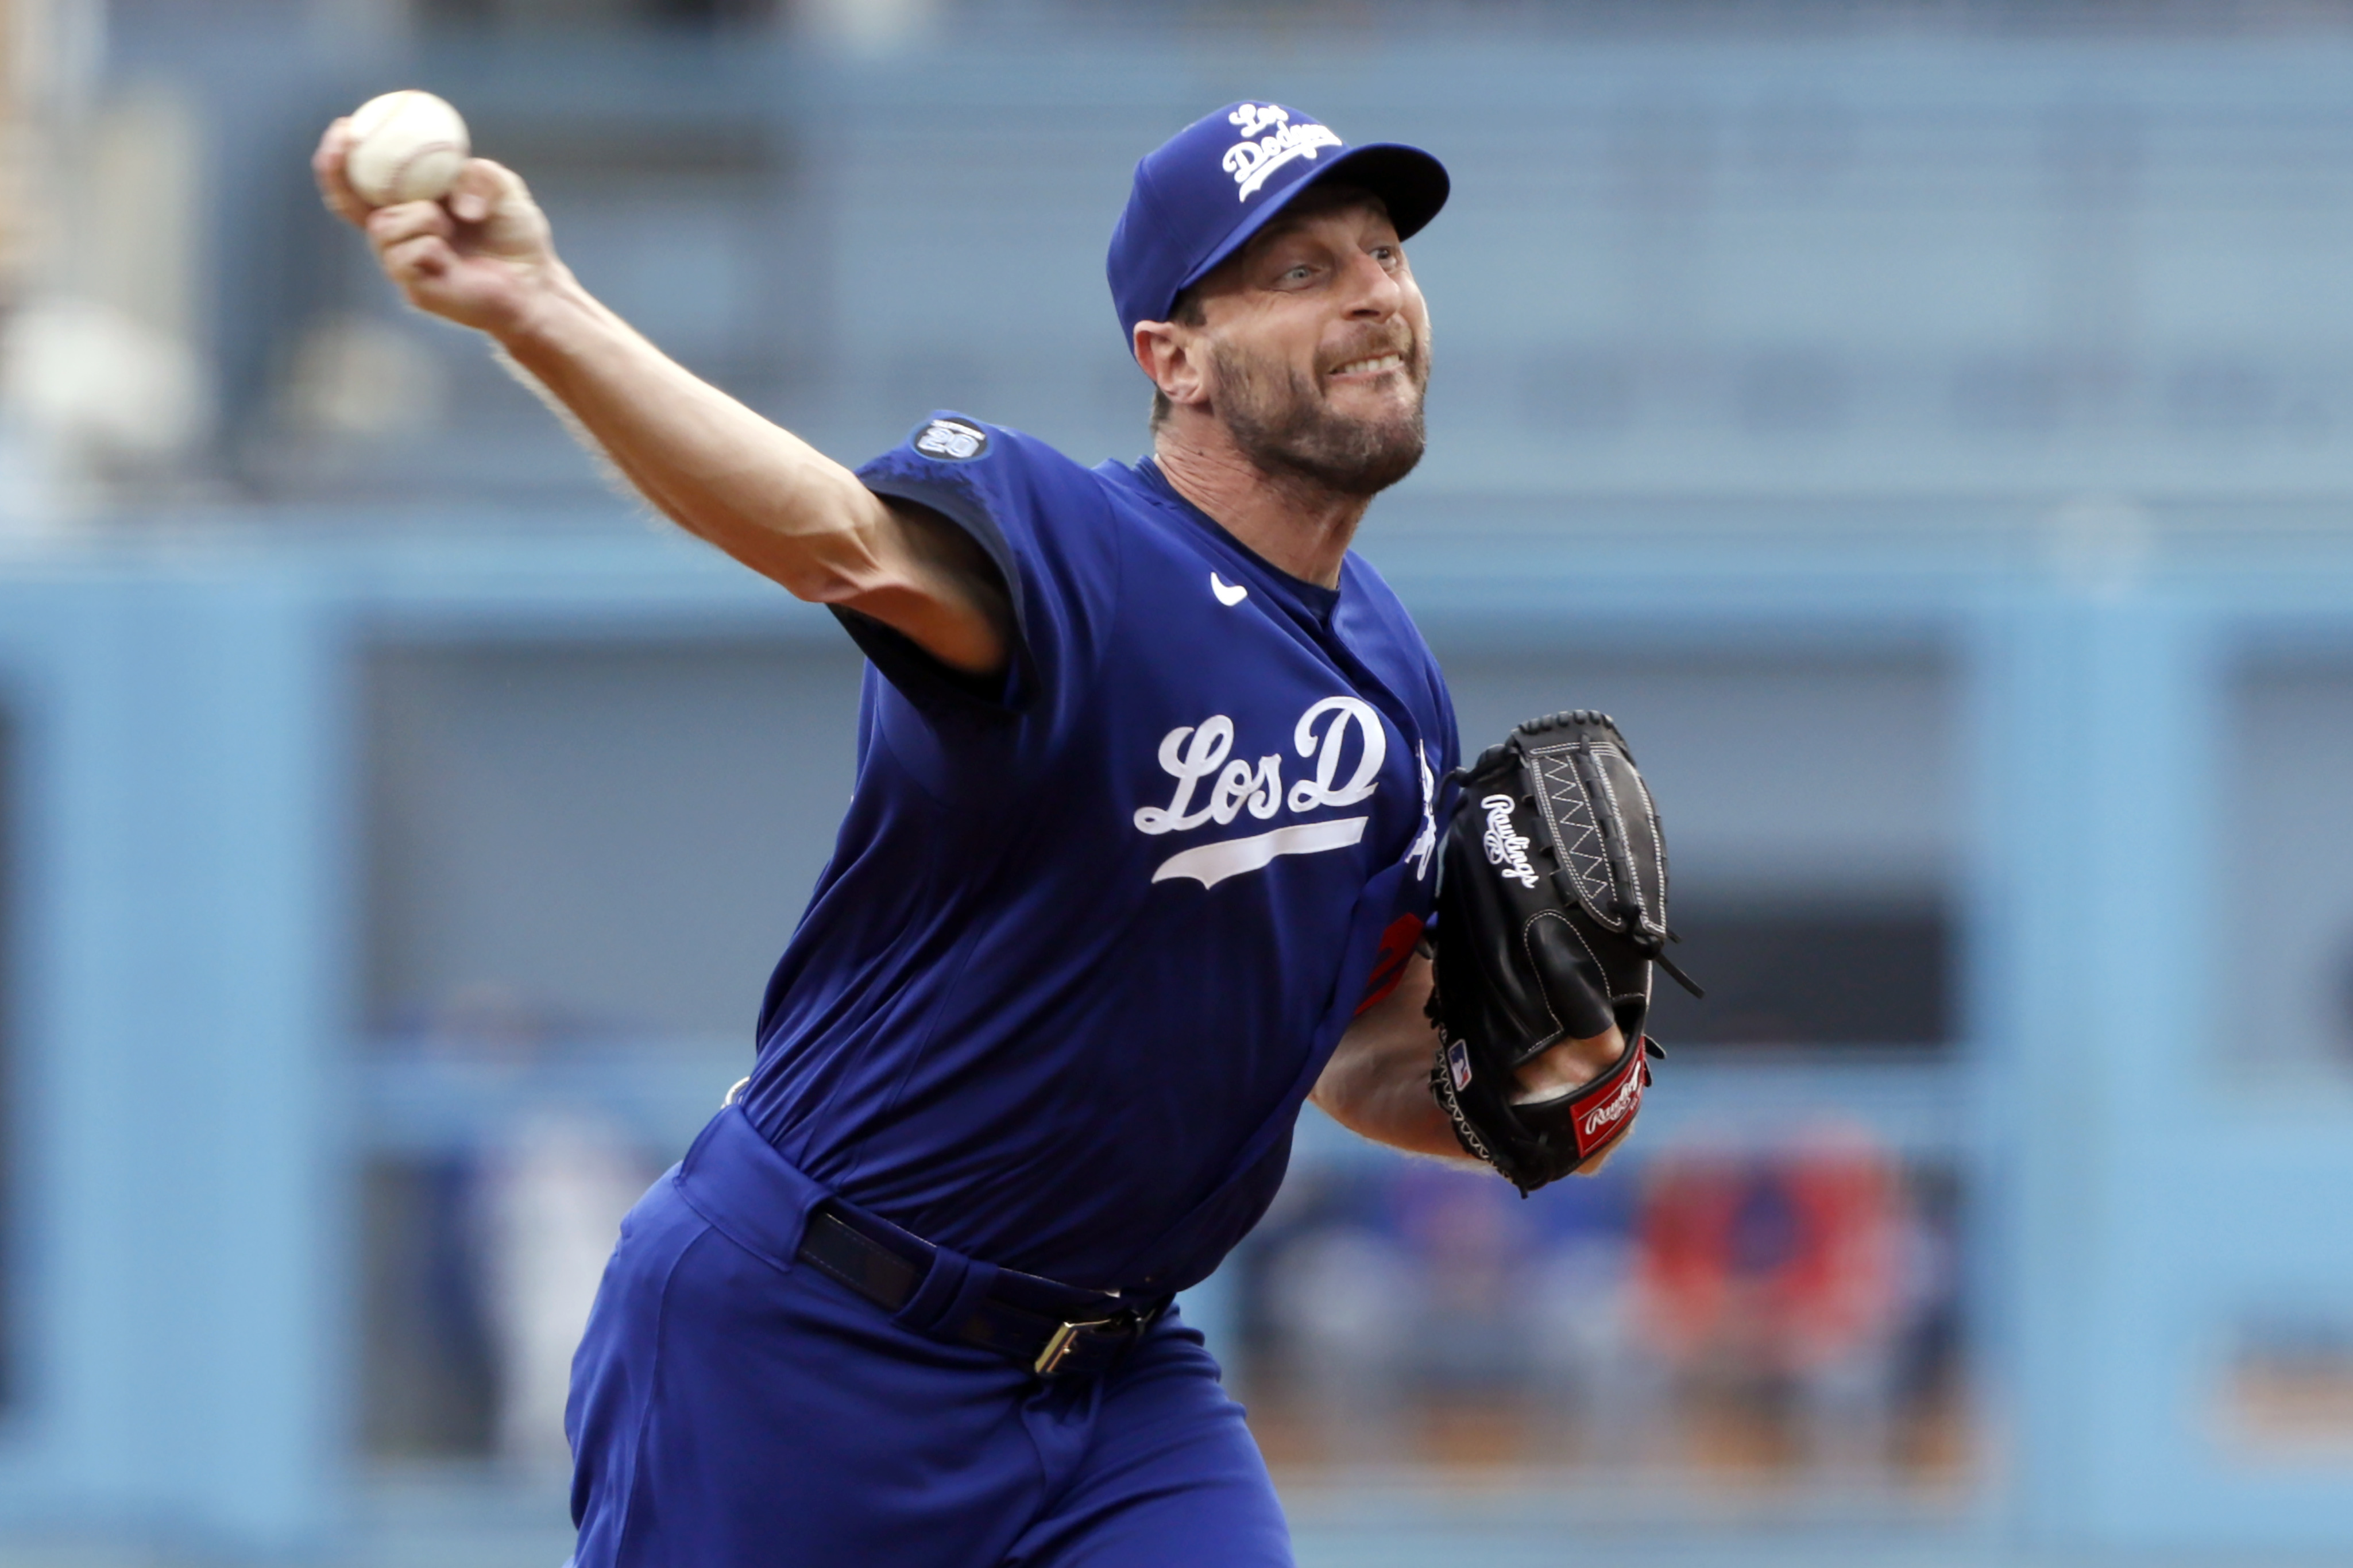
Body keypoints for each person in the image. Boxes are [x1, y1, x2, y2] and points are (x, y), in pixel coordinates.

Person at [316, 97, 1636, 1568]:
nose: (1377, 292)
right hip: (806, 1342)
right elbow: (831, 534)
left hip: (1116, 1382)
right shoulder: (1069, 545)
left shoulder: (1390, 670)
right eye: (1300, 270)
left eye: (1386, 253)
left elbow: (1341, 1048)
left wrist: (1530, 1091)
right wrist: (537, 306)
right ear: (1173, 358)